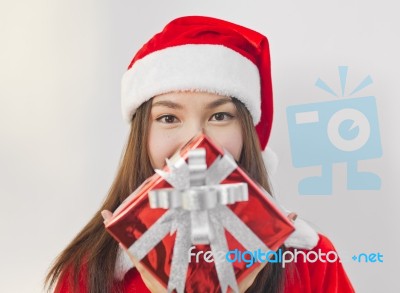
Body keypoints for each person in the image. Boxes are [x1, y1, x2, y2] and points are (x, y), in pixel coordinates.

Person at [45, 16, 355, 293]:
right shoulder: (89, 272)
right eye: (169, 118)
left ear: (247, 132)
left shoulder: (310, 261)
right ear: (143, 136)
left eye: (220, 116)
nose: (196, 141)